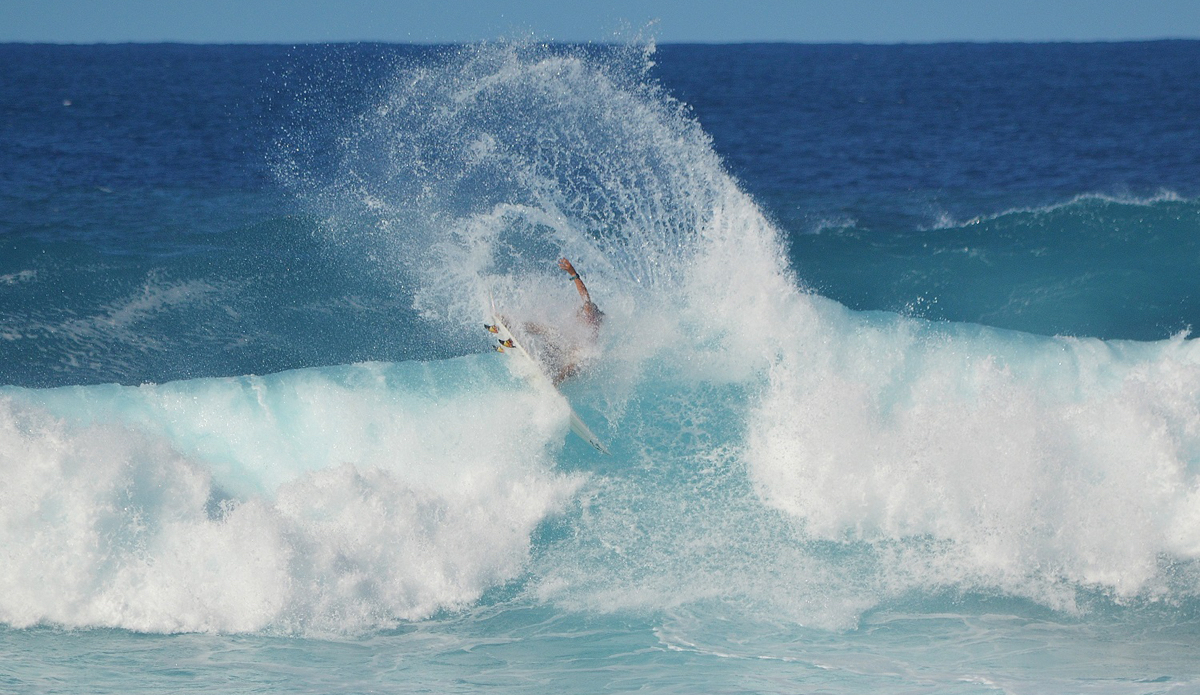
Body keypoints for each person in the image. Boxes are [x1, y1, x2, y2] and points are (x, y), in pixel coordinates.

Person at [518, 258, 604, 384]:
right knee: (550, 331)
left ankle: (554, 383)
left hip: (579, 362)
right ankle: (516, 325)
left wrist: (574, 274)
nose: (579, 316)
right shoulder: (579, 326)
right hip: (564, 354)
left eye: (584, 312)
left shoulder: (591, 320)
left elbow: (585, 297)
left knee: (572, 364)